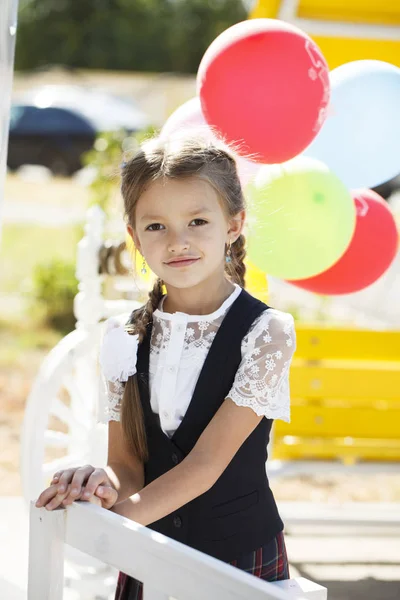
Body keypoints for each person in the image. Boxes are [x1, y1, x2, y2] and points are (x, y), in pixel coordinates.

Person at [35, 134, 296, 600]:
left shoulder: (266, 333)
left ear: (234, 224)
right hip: (148, 554)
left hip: (238, 559)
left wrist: (105, 525)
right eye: (156, 227)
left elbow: (206, 465)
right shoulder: (123, 337)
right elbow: (127, 464)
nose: (178, 242)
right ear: (134, 236)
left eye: (197, 221)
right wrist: (99, 487)